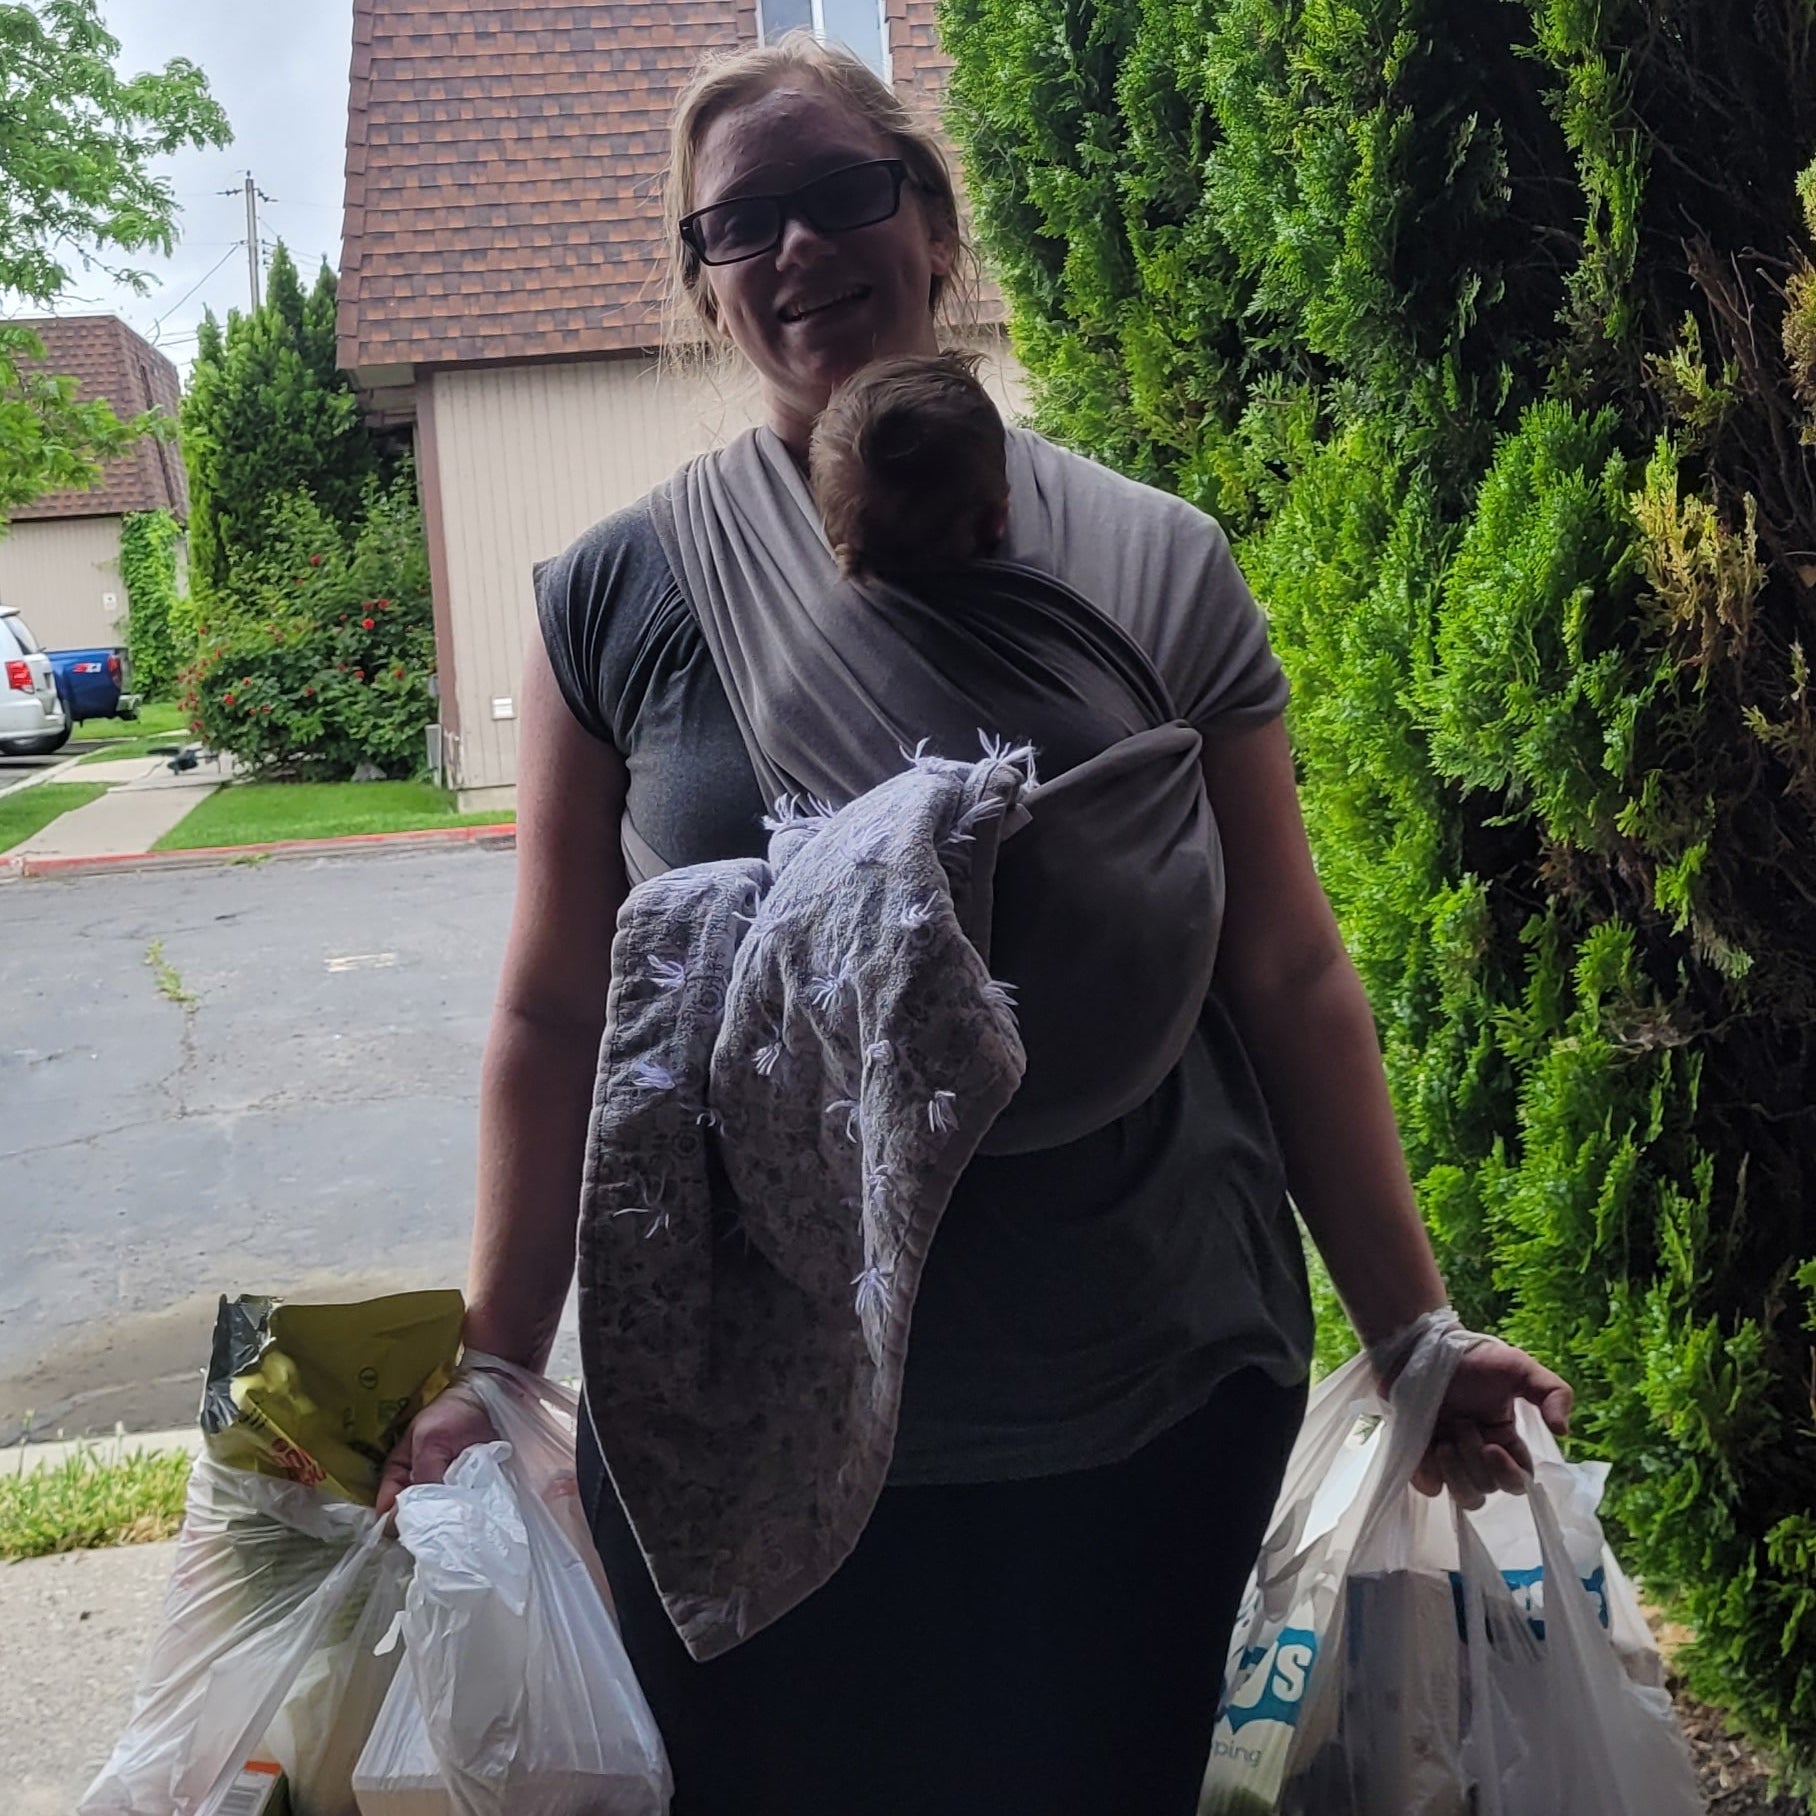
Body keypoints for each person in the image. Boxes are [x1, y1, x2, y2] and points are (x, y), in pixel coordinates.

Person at [378, 31, 1573, 1816]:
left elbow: (1288, 971)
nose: (796, 250)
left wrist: (1413, 1330)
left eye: (841, 194)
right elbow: (558, 1013)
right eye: (741, 225)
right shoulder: (616, 598)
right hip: (741, 1415)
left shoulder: (1159, 560)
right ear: (702, 287)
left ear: (930, 224)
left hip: (1140, 1388)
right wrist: (493, 1356)